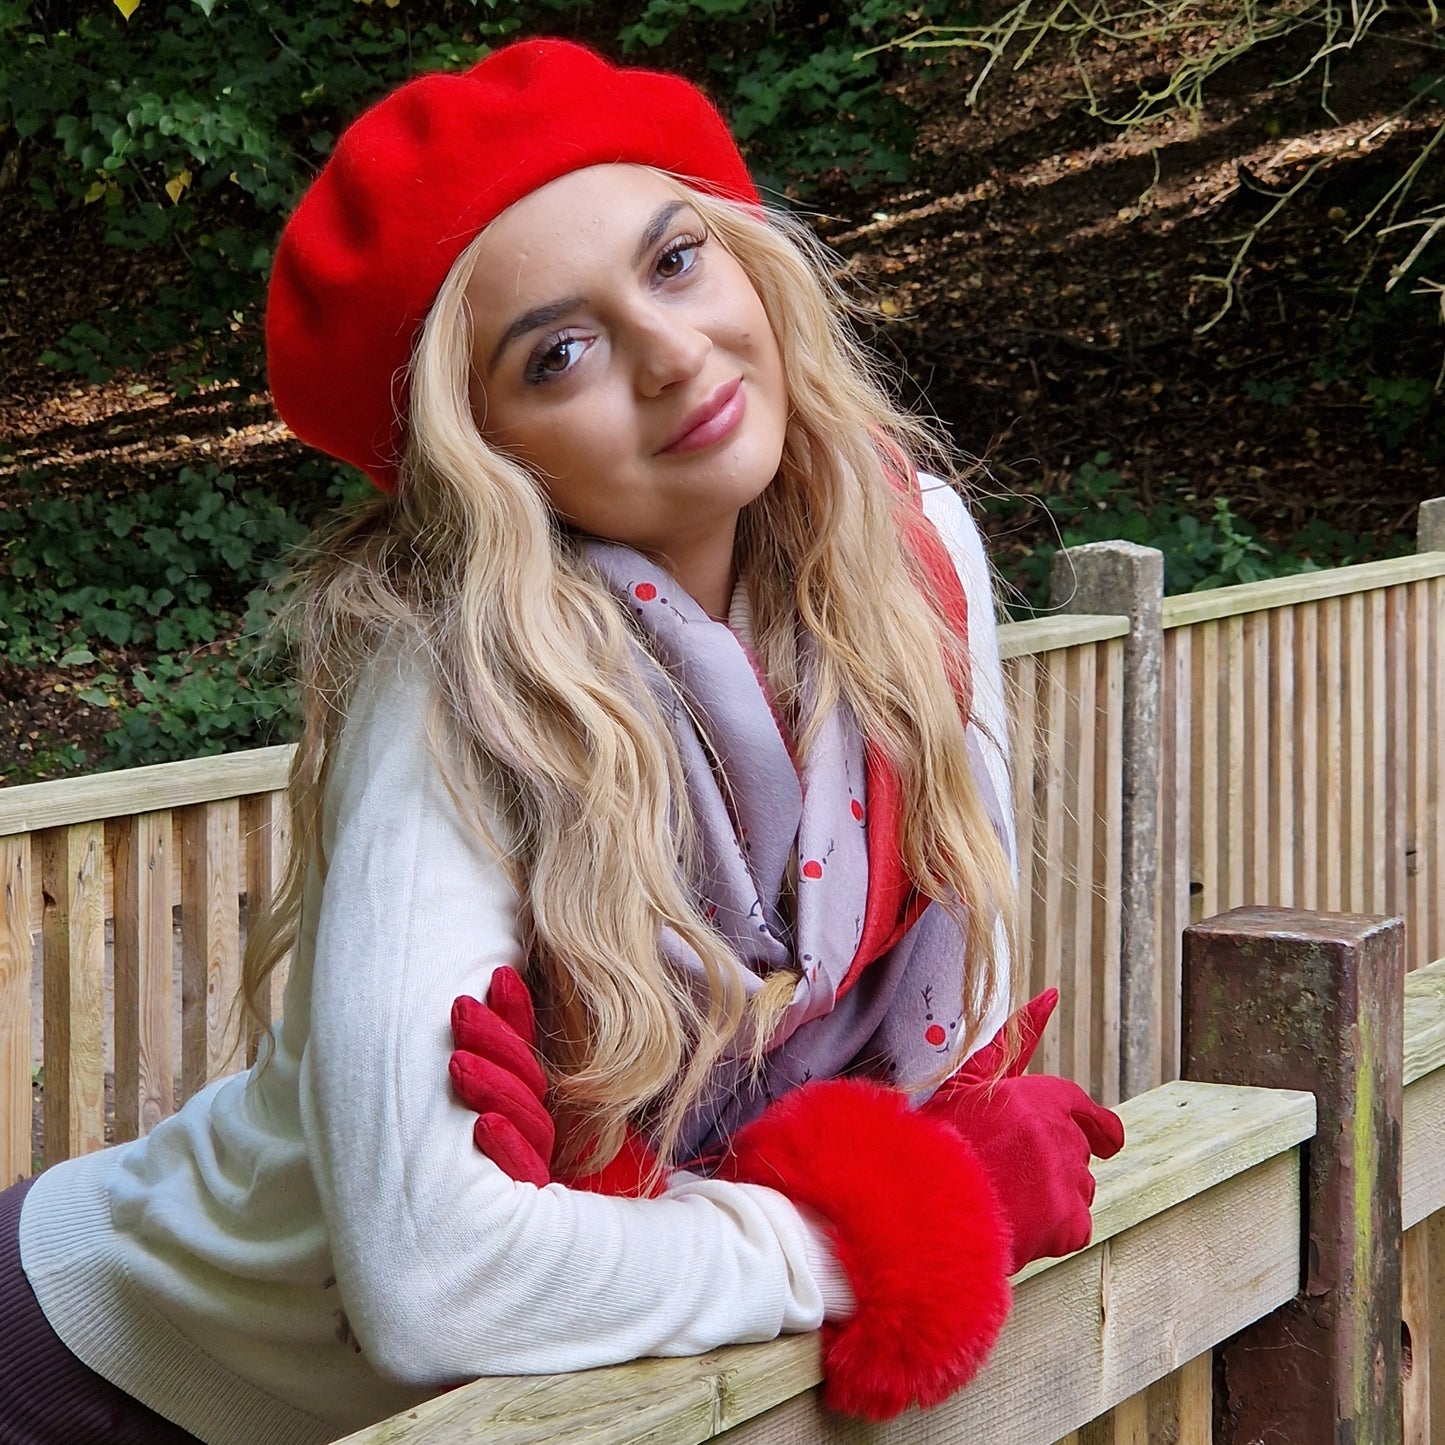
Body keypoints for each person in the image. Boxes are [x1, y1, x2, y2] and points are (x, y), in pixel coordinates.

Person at [1, 37, 1123, 1445]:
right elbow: (430, 1276)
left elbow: (946, 1056)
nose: (671, 353)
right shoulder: (457, 682)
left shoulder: (919, 566)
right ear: (488, 456)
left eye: (672, 260)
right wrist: (860, 1239)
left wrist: (881, 1171)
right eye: (560, 352)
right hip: (119, 1373)